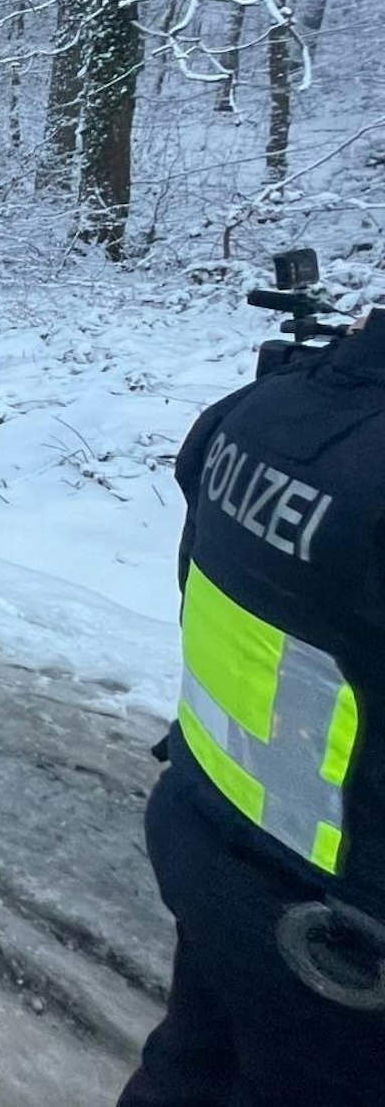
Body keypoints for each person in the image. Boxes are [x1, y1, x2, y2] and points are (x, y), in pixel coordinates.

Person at [121, 306, 385, 1105]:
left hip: (210, 839)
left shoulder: (258, 410)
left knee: (185, 1071)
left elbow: (197, 585)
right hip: (338, 946)